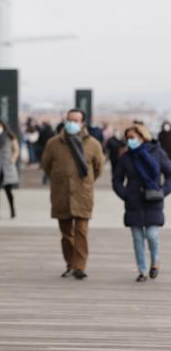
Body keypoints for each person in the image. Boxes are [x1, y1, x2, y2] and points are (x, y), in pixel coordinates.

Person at [41, 109, 104, 280]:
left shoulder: (93, 144)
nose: (72, 123)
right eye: (69, 120)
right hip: (61, 194)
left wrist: (85, 182)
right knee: (66, 233)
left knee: (81, 232)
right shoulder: (54, 143)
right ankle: (70, 263)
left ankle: (79, 267)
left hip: (82, 194)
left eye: (76, 120)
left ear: (83, 123)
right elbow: (46, 166)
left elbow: (98, 168)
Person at [112, 124, 171, 282]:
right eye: (128, 138)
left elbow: (169, 175)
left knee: (152, 235)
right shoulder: (126, 157)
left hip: (153, 200)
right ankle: (142, 271)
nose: (130, 141)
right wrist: (125, 194)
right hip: (134, 203)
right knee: (137, 238)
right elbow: (117, 179)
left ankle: (155, 262)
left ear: (142, 137)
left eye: (133, 138)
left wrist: (162, 192)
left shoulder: (158, 153)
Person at [0, 120, 19, 219]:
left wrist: (12, 160)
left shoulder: (10, 137)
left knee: (8, 190)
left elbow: (16, 150)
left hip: (7, 166)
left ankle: (12, 210)